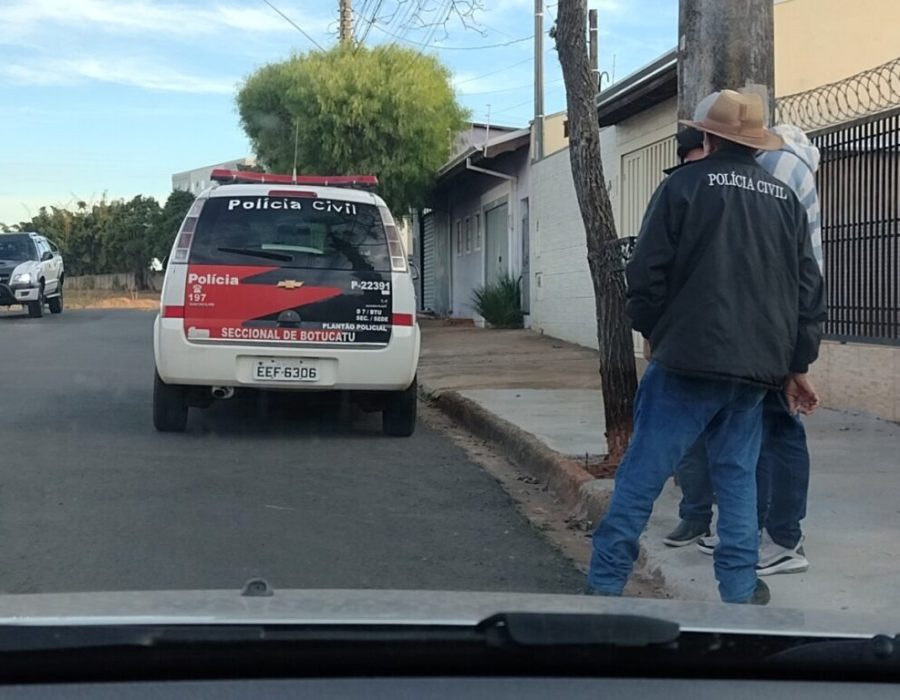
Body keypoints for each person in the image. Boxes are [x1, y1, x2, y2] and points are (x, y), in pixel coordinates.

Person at [587, 90, 826, 605]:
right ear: (758, 143)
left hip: (686, 363)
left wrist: (657, 331)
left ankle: (604, 586)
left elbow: (645, 276)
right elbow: (808, 289)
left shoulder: (683, 187)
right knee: (737, 483)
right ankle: (738, 591)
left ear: (709, 135)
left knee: (642, 476)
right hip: (755, 371)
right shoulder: (783, 199)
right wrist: (796, 363)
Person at [664, 125, 825, 578]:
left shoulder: (774, 172)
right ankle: (748, 530)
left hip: (772, 325)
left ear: (714, 142)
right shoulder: (758, 170)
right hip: (759, 326)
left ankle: (783, 540)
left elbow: (798, 267)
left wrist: (797, 357)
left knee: (779, 430)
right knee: (748, 432)